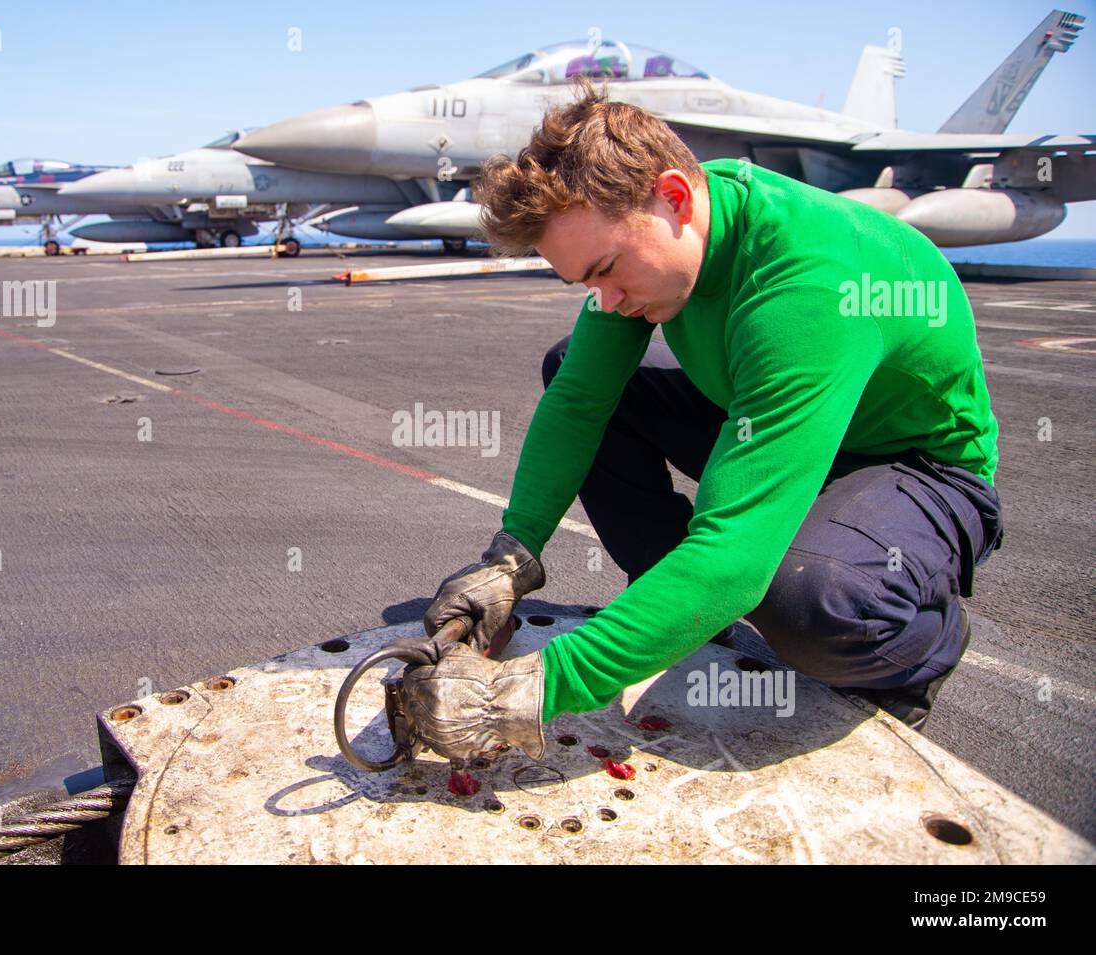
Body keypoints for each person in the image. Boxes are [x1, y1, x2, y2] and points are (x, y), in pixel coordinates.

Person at [400, 80, 1004, 761]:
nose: (605, 300)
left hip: (915, 466)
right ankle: (677, 608)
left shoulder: (809, 285)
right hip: (773, 419)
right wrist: (509, 559)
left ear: (675, 199)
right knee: (575, 366)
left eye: (606, 271)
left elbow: (736, 554)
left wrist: (533, 691)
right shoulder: (659, 236)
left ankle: (919, 649)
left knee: (807, 595)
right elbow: (579, 399)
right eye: (586, 284)